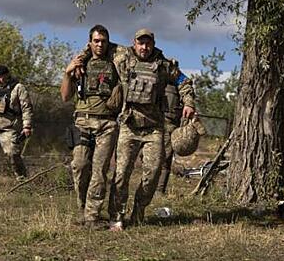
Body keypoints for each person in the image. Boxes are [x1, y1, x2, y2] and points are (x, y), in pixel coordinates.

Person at [109, 28, 196, 231]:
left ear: (153, 44)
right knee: (121, 174)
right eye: (141, 43)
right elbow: (101, 48)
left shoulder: (163, 65)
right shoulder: (123, 59)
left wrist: (189, 102)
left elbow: (183, 82)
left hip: (154, 129)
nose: (144, 47)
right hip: (128, 126)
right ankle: (117, 216)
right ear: (134, 43)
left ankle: (138, 211)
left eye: (148, 43)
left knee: (153, 173)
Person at [60, 25, 121, 229]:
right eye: (96, 41)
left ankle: (92, 216)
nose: (100, 44)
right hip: (82, 121)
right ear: (90, 42)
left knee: (99, 169)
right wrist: (68, 73)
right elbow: (65, 96)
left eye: (103, 40)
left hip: (107, 123)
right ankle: (83, 207)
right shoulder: (81, 62)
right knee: (80, 165)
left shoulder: (116, 62)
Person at [0, 65, 33, 185]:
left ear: (7, 75)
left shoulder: (19, 88)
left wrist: (26, 126)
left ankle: (22, 181)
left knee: (12, 154)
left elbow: (27, 108)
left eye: (1, 77)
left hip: (8, 128)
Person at [157, 80, 182, 194]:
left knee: (165, 160)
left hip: (168, 124)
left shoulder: (179, 83)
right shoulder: (159, 78)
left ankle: (159, 190)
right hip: (156, 123)